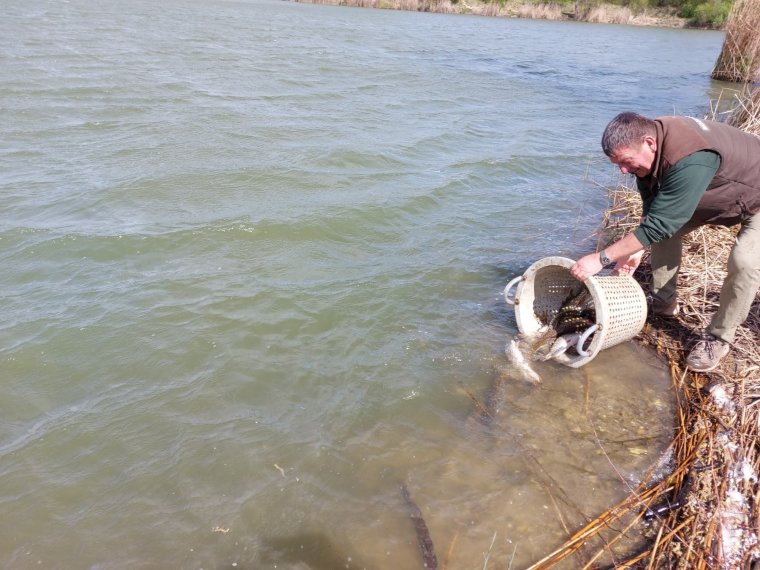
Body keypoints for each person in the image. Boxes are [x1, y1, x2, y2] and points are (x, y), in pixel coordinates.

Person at [570, 112, 760, 372]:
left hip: (755, 195)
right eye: (618, 165)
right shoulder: (649, 149)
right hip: (723, 194)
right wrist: (637, 247)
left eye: (626, 162)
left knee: (745, 262)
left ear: (649, 143)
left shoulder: (690, 156)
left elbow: (660, 224)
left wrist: (601, 258)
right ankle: (664, 303)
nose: (624, 170)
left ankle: (718, 338)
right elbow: (652, 209)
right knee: (661, 232)